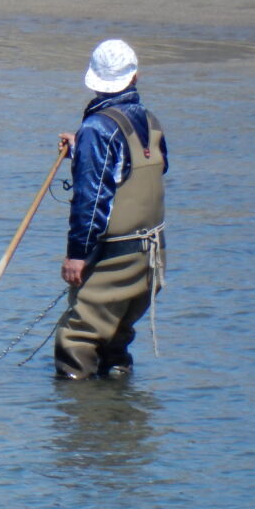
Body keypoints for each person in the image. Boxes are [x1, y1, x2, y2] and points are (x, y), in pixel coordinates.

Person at [54, 39, 168, 379]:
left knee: (76, 340)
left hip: (114, 256)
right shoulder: (150, 121)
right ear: (135, 77)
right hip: (151, 256)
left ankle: (80, 422)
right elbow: (144, 171)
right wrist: (82, 151)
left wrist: (77, 254)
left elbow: (92, 201)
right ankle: (120, 421)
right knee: (114, 341)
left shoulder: (97, 128)